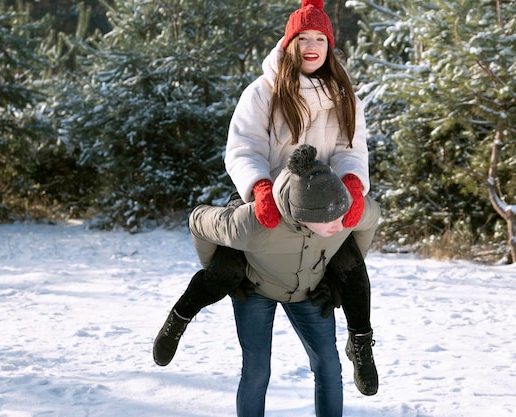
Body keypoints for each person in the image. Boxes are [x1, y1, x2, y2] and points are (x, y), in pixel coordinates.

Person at [154, 0, 379, 396]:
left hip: (318, 208)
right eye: (303, 38)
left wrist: (352, 186)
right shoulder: (264, 91)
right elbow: (243, 148)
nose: (312, 46)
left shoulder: (344, 94)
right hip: (268, 203)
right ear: (289, 43)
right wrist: (259, 188)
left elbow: (350, 149)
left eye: (320, 39)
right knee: (227, 270)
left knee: (350, 263)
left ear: (329, 45)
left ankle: (360, 342)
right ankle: (180, 316)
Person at [189, 145, 371, 417]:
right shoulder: (252, 224)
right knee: (257, 368)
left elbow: (369, 218)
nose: (339, 224)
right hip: (256, 286)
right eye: (332, 220)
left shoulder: (336, 211)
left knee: (330, 365)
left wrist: (336, 274)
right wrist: (221, 272)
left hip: (308, 286)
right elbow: (199, 221)